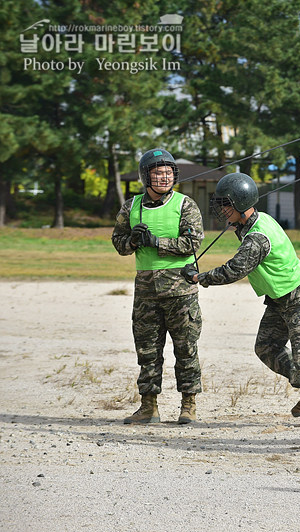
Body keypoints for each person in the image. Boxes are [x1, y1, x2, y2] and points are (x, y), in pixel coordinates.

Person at [182, 172, 300, 430]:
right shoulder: (257, 221)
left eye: (225, 204)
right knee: (267, 347)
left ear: (239, 203)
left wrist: (200, 277)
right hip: (280, 299)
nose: (221, 210)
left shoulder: (257, 237)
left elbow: (234, 270)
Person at [111, 148, 204, 425]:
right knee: (147, 351)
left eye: (168, 173)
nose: (164, 177)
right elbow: (119, 243)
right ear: (145, 176)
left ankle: (188, 405)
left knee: (186, 349)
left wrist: (156, 242)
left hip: (181, 293)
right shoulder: (131, 207)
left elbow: (192, 243)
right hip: (146, 294)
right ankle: (148, 407)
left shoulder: (186, 205)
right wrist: (134, 242)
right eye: (158, 172)